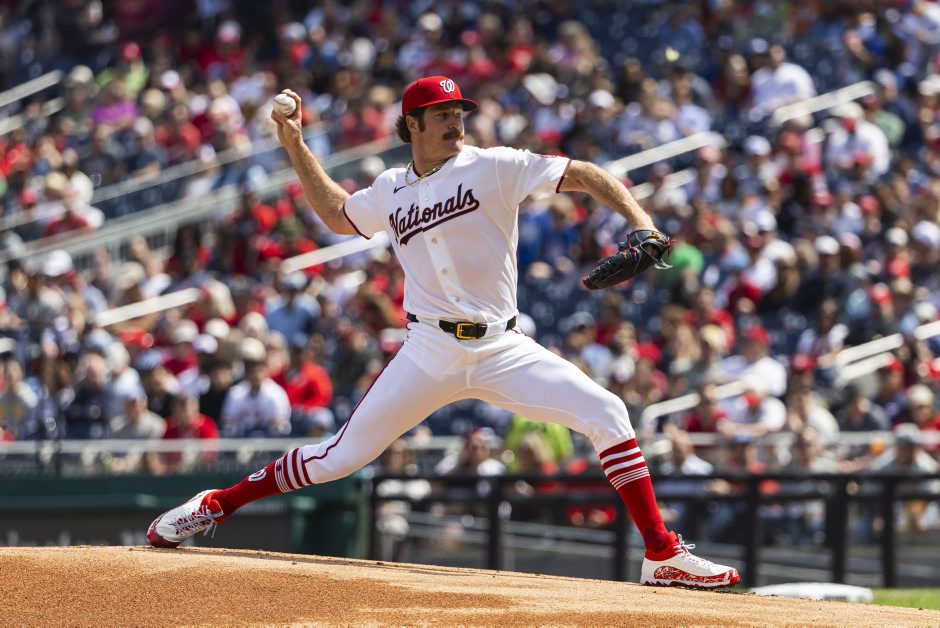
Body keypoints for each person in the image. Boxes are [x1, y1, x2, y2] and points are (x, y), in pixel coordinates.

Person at [147, 76, 739, 588]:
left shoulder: (494, 165)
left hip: (502, 346)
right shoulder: (390, 188)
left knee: (608, 412)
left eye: (460, 112)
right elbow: (336, 215)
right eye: (443, 114)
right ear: (413, 125)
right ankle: (215, 504)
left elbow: (582, 173)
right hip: (428, 349)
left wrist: (641, 222)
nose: (457, 122)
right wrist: (296, 145)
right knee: (338, 458)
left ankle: (661, 554)